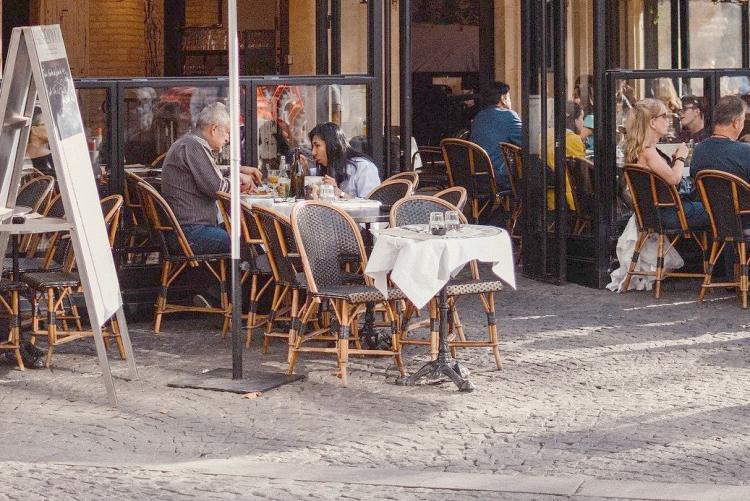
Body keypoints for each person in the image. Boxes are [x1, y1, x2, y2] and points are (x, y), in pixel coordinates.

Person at [161, 102, 261, 255]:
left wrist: (238, 170)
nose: (228, 138)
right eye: (227, 132)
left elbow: (208, 171)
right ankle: (258, 278)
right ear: (214, 129)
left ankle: (253, 276)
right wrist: (239, 180)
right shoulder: (194, 146)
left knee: (249, 234)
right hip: (190, 233)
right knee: (249, 242)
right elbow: (217, 187)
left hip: (185, 229)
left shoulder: (188, 142)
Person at [623, 98, 708, 230]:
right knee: (718, 210)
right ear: (652, 122)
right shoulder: (649, 152)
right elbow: (674, 179)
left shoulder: (640, 150)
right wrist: (681, 157)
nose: (668, 120)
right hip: (669, 214)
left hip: (654, 214)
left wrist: (674, 162)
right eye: (664, 116)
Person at [300, 122, 380, 199]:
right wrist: (305, 172)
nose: (313, 152)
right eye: (312, 147)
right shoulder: (325, 168)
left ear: (332, 145)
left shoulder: (363, 168)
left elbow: (372, 205)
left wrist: (339, 193)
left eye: (317, 145)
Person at [469, 81, 522, 190]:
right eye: (509, 97)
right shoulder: (508, 115)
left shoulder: (479, 116)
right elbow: (527, 142)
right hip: (500, 176)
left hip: (478, 176)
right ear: (503, 98)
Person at [546, 101, 586, 211]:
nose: (583, 122)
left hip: (548, 197)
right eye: (581, 118)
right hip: (569, 199)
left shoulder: (544, 134)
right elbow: (582, 174)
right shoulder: (573, 140)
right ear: (574, 120)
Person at [26, 107, 55, 176]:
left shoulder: (24, 155)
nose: (52, 127)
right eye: (46, 124)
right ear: (34, 130)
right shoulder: (51, 156)